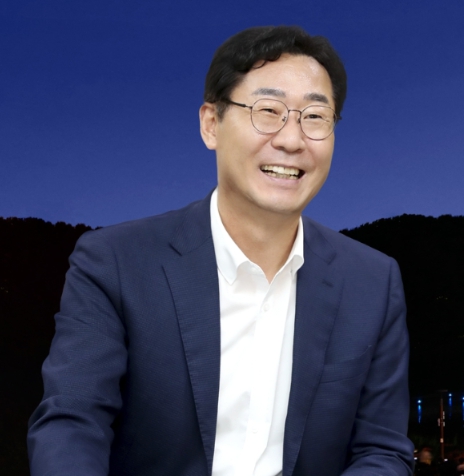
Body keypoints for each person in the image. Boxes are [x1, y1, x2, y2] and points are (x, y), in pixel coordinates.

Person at [28, 25, 414, 475]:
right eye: (268, 111)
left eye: (314, 117)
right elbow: (71, 424)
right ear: (211, 124)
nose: (291, 140)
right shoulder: (115, 263)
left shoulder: (372, 282)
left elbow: (382, 451)